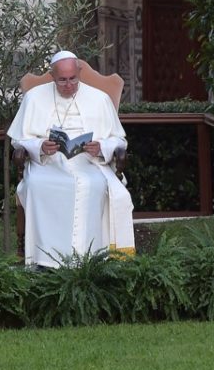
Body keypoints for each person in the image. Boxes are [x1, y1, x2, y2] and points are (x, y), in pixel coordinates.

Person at [7, 50, 135, 268]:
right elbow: (18, 140)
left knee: (91, 185)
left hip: (89, 162)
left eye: (73, 79)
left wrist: (101, 147)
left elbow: (119, 140)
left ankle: (89, 256)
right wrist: (40, 146)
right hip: (48, 163)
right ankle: (44, 259)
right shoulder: (34, 97)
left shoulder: (99, 99)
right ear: (52, 76)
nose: (68, 85)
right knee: (37, 185)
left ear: (80, 72)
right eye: (62, 80)